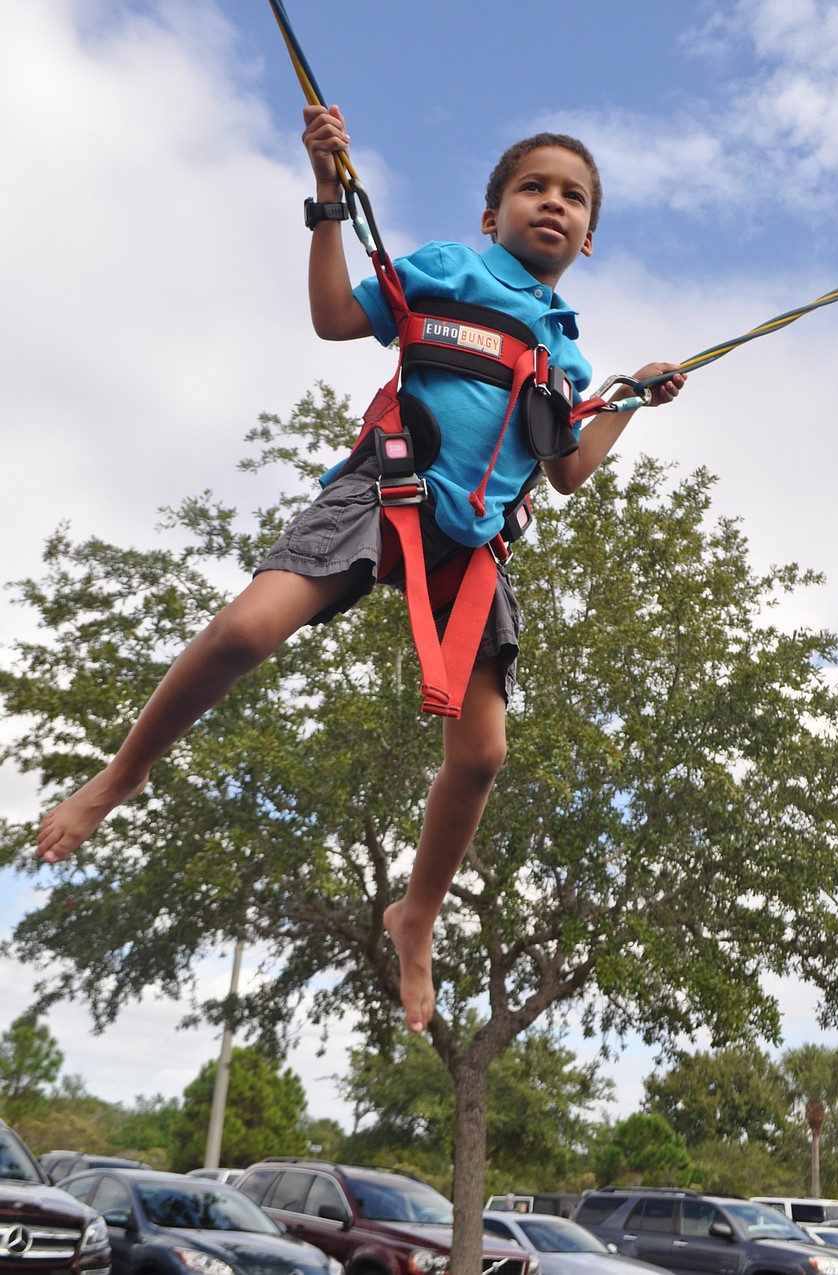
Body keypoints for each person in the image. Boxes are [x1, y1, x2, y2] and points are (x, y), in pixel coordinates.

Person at [36, 104, 686, 1034]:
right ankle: (123, 775)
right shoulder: (445, 271)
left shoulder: (566, 354)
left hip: (470, 548)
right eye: (532, 188)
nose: (553, 203)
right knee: (247, 628)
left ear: (588, 237)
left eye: (573, 198)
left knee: (482, 753)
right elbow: (337, 315)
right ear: (492, 214)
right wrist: (330, 197)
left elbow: (571, 470)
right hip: (387, 491)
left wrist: (627, 399)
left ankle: (416, 912)